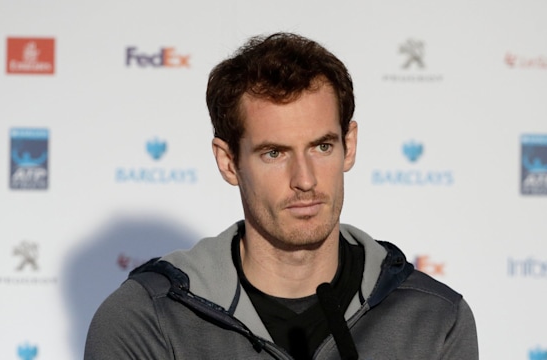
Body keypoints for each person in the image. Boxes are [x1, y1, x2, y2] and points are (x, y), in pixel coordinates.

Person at [85, 32, 479, 360]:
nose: (305, 180)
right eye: (274, 153)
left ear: (350, 145)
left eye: (322, 147)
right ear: (227, 162)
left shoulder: (435, 318)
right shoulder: (147, 317)